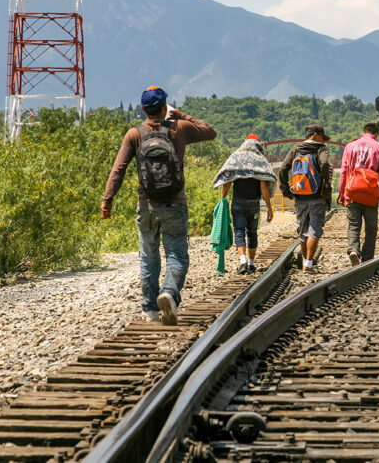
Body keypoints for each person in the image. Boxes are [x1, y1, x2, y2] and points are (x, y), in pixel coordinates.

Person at [101, 86, 217, 324]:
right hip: (175, 203)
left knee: (148, 257)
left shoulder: (134, 134)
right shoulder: (179, 129)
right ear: (165, 107)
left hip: (147, 205)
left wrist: (107, 200)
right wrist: (182, 116)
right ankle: (169, 293)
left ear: (143, 109)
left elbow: (119, 169)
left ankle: (151, 310)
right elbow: (210, 132)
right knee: (176, 255)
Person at [213, 134, 276, 274]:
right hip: (253, 204)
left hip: (238, 203)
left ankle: (243, 262)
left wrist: (222, 199)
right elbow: (264, 187)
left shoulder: (236, 157)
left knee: (239, 231)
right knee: (252, 233)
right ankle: (251, 264)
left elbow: (228, 180)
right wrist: (270, 208)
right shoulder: (261, 160)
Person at [279, 124, 332, 272]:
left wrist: (286, 190)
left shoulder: (295, 149)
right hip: (317, 196)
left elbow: (283, 168)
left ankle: (304, 261)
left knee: (303, 231)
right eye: (322, 136)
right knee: (314, 230)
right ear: (315, 135)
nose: (323, 140)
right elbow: (325, 164)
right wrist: (325, 186)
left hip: (300, 196)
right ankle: (308, 264)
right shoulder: (321, 149)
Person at [337, 122, 379, 266]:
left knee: (354, 224)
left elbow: (343, 172)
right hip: (371, 194)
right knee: (371, 227)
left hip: (353, 191)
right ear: (377, 135)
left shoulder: (349, 147)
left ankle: (354, 250)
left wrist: (342, 194)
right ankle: (367, 259)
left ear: (362, 133)